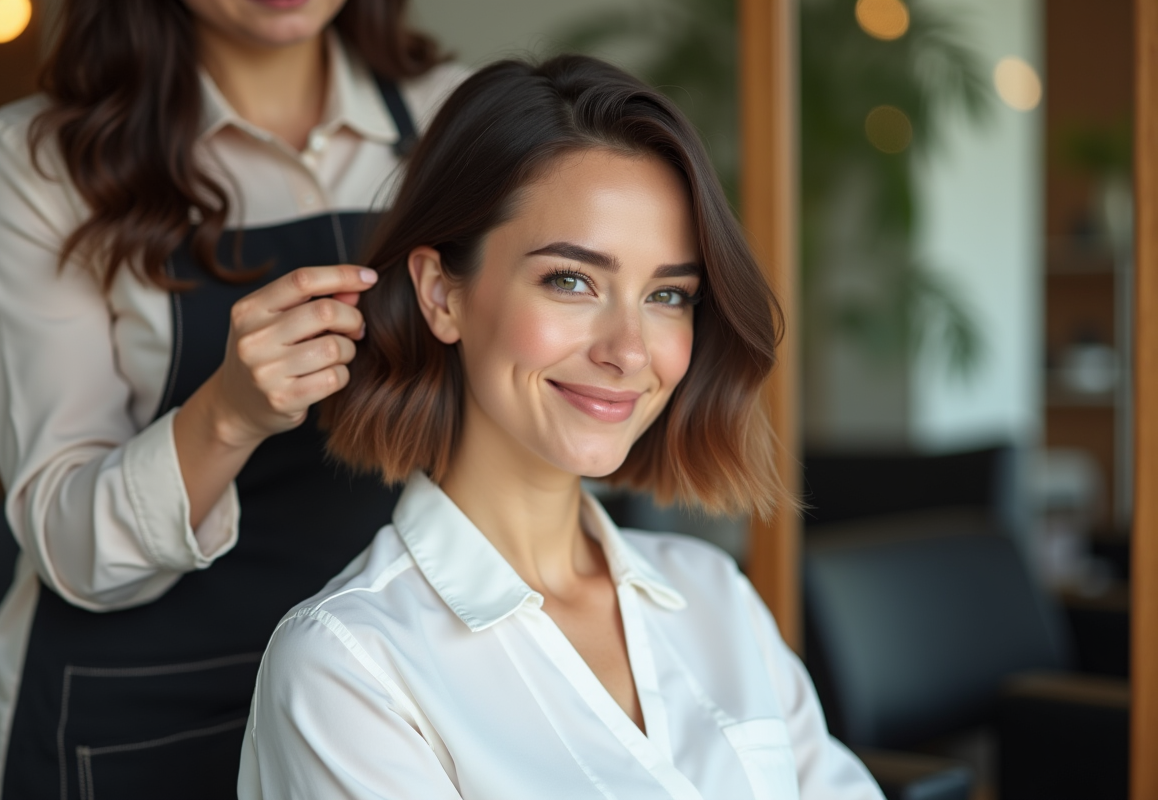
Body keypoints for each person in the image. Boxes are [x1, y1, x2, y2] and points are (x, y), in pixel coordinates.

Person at [239, 55, 883, 800]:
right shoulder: (351, 666)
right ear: (442, 294)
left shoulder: (714, 596)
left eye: (668, 295)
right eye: (571, 281)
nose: (630, 350)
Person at [0, 0, 464, 796]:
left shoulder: (456, 118)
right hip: (139, 717)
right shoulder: (38, 162)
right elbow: (67, 541)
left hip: (390, 698)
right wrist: (227, 414)